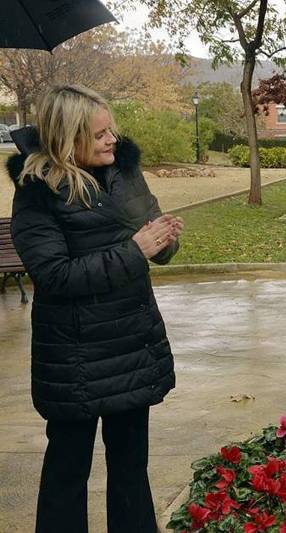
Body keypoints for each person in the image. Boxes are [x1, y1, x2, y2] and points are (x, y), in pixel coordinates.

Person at [7, 85, 184, 532]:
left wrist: (164, 241)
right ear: (68, 138)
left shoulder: (124, 170)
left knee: (131, 466)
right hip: (75, 358)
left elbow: (152, 238)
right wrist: (135, 249)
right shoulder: (37, 191)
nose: (112, 140)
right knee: (68, 471)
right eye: (100, 134)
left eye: (112, 130)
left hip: (131, 346)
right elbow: (54, 276)